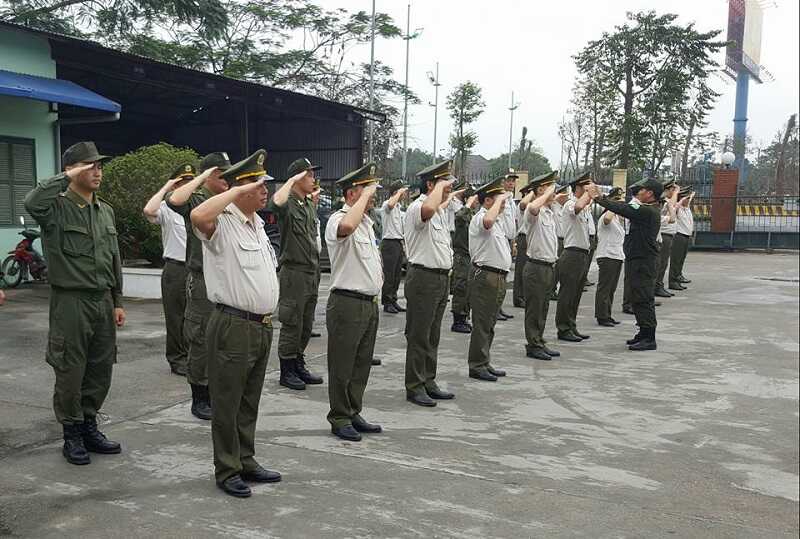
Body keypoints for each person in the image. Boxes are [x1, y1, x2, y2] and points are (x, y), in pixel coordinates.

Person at [24, 141, 125, 465]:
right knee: (70, 369)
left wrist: (117, 300)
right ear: (71, 170)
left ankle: (89, 425)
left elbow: (113, 258)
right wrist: (66, 177)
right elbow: (31, 201)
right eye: (89, 166)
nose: (97, 172)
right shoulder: (55, 208)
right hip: (71, 301)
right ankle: (72, 434)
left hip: (102, 301)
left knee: (100, 368)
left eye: (99, 166)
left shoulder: (105, 210)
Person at [191, 149, 282, 498]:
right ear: (238, 189)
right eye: (257, 184)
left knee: (248, 401)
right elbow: (197, 214)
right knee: (227, 402)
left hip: (261, 325)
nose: (265, 190)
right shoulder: (222, 221)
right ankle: (227, 468)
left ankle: (246, 459)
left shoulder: (257, 224)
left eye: (265, 183)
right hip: (233, 325)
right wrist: (234, 190)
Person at [166, 152, 231, 420]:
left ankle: (216, 390)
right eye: (221, 173)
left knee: (222, 338)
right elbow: (174, 200)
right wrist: (202, 175)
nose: (227, 178)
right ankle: (199, 395)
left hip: (226, 277)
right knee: (201, 337)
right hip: (203, 279)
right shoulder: (197, 198)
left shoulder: (227, 198)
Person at [324, 163, 384, 441]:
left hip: (368, 303)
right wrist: (364, 197)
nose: (373, 196)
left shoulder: (367, 224)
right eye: (367, 190)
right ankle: (339, 416)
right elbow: (346, 227)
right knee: (342, 365)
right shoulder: (338, 219)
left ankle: (352, 410)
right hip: (347, 303)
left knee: (361, 365)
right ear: (351, 194)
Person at [267, 158, 325, 390]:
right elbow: (275, 203)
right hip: (294, 272)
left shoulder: (307, 204)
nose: (313, 179)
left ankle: (299, 362)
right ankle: (287, 369)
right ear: (298, 178)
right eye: (309, 175)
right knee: (292, 322)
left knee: (306, 323)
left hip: (311, 271)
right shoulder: (288, 202)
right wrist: (291, 180)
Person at [403, 159, 457, 407]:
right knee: (419, 335)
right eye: (444, 182)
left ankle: (428, 380)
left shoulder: (440, 212)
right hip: (423, 278)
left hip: (440, 278)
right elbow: (426, 211)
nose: (449, 187)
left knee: (432, 335)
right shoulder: (418, 207)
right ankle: (415, 385)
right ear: (430, 185)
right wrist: (439, 189)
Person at [589, 179, 664, 351]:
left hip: (643, 261)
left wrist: (599, 198)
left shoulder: (648, 211)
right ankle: (643, 332)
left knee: (644, 298)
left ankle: (649, 337)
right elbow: (626, 208)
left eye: (642, 190)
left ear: (650, 193)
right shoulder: (645, 209)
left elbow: (624, 208)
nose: (638, 193)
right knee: (637, 298)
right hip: (636, 260)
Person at [143, 163, 194, 376]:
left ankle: (193, 356)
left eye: (191, 182)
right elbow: (149, 210)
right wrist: (166, 187)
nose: (187, 185)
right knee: (176, 317)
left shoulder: (196, 206)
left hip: (196, 269)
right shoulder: (166, 208)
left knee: (195, 316)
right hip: (176, 268)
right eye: (183, 182)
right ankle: (177, 358)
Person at [465, 178, 514, 381]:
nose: (503, 204)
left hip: (498, 277)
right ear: (487, 201)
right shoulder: (481, 218)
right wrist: (498, 201)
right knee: (482, 322)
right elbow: (487, 223)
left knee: (490, 322)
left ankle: (484, 360)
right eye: (499, 200)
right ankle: (477, 365)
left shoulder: (497, 220)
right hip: (485, 276)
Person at [521, 171, 567, 361]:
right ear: (541, 190)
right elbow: (532, 207)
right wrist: (545, 193)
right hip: (536, 267)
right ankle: (533, 345)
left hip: (548, 266)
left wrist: (551, 196)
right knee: (535, 308)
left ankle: (539, 340)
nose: (554, 193)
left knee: (543, 307)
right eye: (550, 189)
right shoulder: (534, 211)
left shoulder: (548, 212)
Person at [555, 172, 594, 342]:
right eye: (586, 186)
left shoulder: (584, 207)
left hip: (582, 254)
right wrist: (589, 193)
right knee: (568, 293)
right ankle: (563, 328)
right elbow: (577, 207)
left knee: (576, 293)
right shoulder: (570, 204)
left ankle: (571, 325)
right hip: (572, 254)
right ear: (579, 188)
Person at [594, 187, 626, 327]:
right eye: (617, 200)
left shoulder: (617, 219)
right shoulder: (606, 216)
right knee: (605, 288)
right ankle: (602, 316)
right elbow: (607, 219)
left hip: (616, 256)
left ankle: (607, 314)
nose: (621, 203)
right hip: (607, 256)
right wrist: (614, 205)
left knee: (611, 288)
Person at [380, 180, 408, 314]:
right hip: (389, 243)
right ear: (396, 192)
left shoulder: (398, 208)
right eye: (403, 192)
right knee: (389, 274)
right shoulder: (387, 204)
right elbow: (390, 204)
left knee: (397, 275)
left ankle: (393, 299)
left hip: (397, 243)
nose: (405, 194)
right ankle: (387, 302)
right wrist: (398, 192)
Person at [450, 185, 475, 334]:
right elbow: (459, 216)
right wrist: (468, 203)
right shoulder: (461, 213)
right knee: (461, 288)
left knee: (468, 289)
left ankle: (464, 316)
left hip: (469, 256)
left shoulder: (471, 215)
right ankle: (458, 319)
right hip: (462, 257)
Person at [495, 170, 519, 321]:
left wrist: (513, 243)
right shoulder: (500, 198)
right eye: (508, 181)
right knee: (498, 275)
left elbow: (513, 223)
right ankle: (494, 308)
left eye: (513, 181)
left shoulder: (511, 199)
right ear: (502, 182)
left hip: (508, 240)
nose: (511, 183)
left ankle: (499, 306)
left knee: (504, 275)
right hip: (500, 240)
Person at [655, 180, 679, 298]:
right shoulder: (663, 201)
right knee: (661, 263)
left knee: (663, 263)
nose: (673, 193)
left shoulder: (665, 201)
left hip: (667, 235)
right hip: (664, 235)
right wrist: (676, 193)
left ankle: (658, 285)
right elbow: (672, 205)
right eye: (672, 190)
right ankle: (657, 286)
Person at [669, 186, 695, 291]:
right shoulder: (678, 209)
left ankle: (678, 276)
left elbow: (690, 199)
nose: (688, 201)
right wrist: (680, 198)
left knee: (681, 259)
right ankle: (673, 281)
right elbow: (673, 206)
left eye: (688, 199)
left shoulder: (686, 209)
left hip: (686, 236)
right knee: (676, 260)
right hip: (679, 236)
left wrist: (691, 195)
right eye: (686, 199)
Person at [549, 184, 567, 301]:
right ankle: (551, 290)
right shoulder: (554, 206)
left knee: (559, 268)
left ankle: (553, 288)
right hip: (556, 239)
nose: (566, 196)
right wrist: (555, 196)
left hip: (563, 240)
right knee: (555, 267)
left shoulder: (563, 208)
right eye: (564, 194)